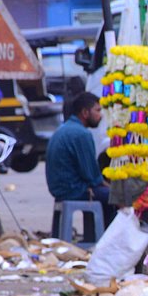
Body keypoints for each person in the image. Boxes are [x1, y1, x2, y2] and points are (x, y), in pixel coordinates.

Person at [46, 92, 114, 241]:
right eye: (97, 110)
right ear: (85, 112)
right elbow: (92, 176)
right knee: (113, 197)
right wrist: (111, 188)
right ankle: (104, 242)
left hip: (60, 188)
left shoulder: (64, 129)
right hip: (73, 190)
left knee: (104, 193)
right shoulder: (82, 134)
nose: (100, 115)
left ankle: (91, 237)